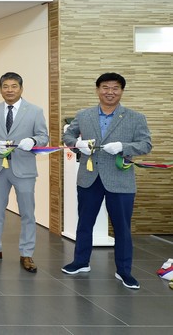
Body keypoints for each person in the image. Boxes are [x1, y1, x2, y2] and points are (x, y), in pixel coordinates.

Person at [61, 72, 151, 289]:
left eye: (115, 88)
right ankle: (80, 262)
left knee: (122, 227)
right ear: (97, 90)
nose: (110, 92)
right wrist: (77, 144)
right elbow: (68, 136)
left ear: (121, 91)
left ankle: (124, 271)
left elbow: (146, 144)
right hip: (89, 178)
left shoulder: (135, 117)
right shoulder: (84, 115)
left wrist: (123, 147)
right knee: (85, 223)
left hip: (120, 180)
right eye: (105, 87)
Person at [0, 72, 49, 273]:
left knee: (27, 213)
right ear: (0, 89)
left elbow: (43, 136)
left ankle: (26, 253)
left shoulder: (35, 111)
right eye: (5, 86)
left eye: (14, 86)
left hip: (24, 169)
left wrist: (33, 141)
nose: (9, 90)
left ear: (21, 88)